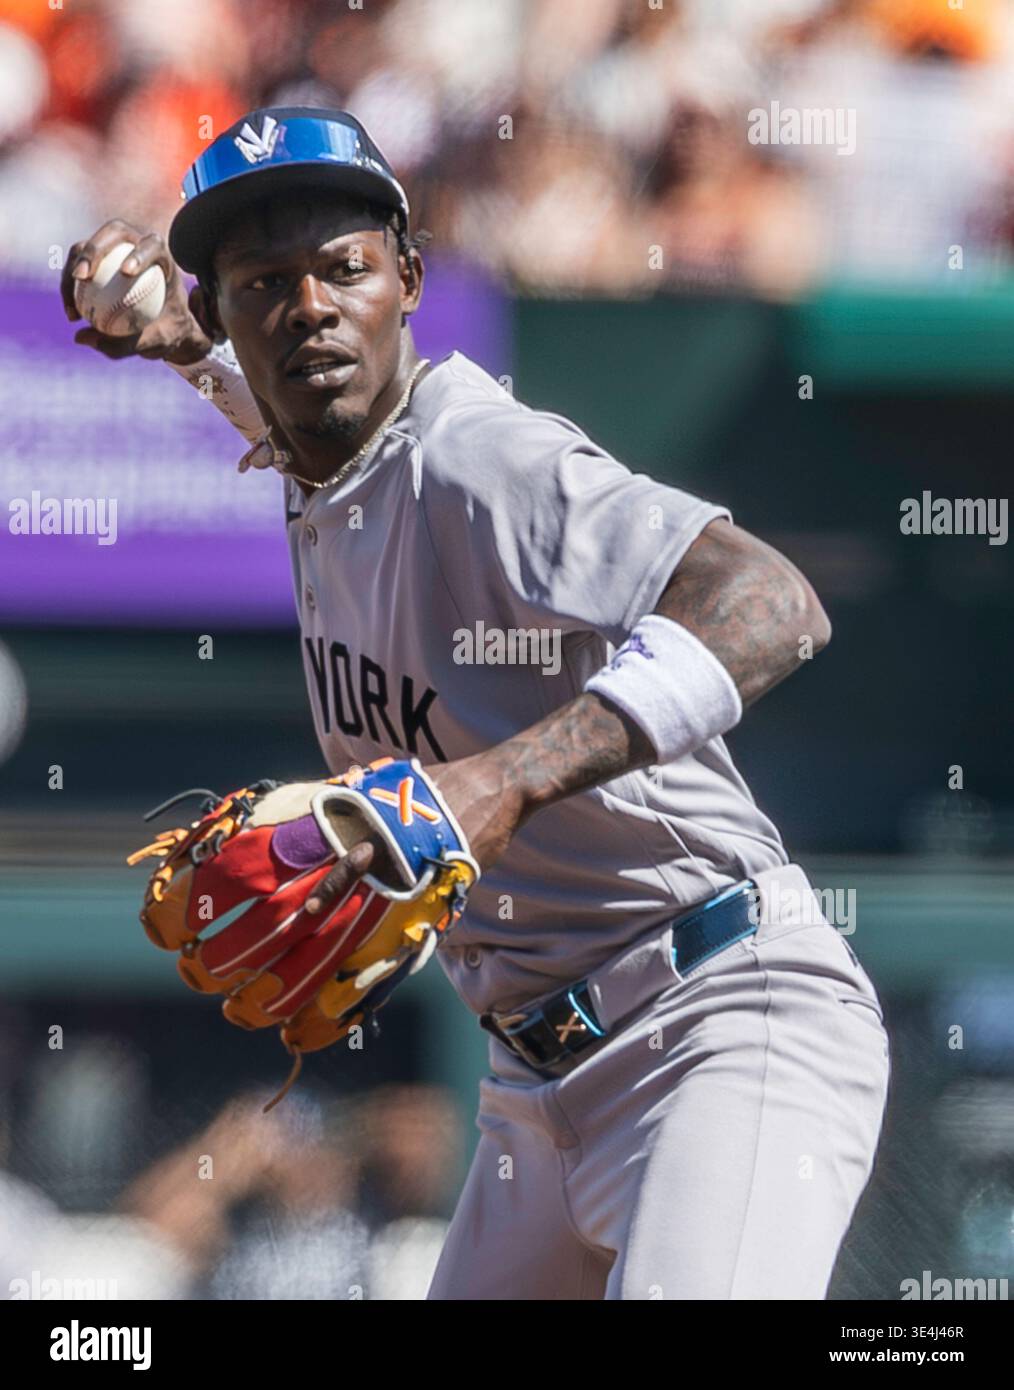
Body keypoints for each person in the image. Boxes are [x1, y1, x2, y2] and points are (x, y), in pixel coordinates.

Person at [62, 107, 890, 1301]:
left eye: (343, 269)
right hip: (533, 1094)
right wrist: (182, 344)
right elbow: (298, 418)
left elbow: (773, 601)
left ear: (407, 278)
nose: (306, 307)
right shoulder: (324, 458)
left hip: (718, 1023)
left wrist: (504, 776)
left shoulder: (479, 453)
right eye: (261, 284)